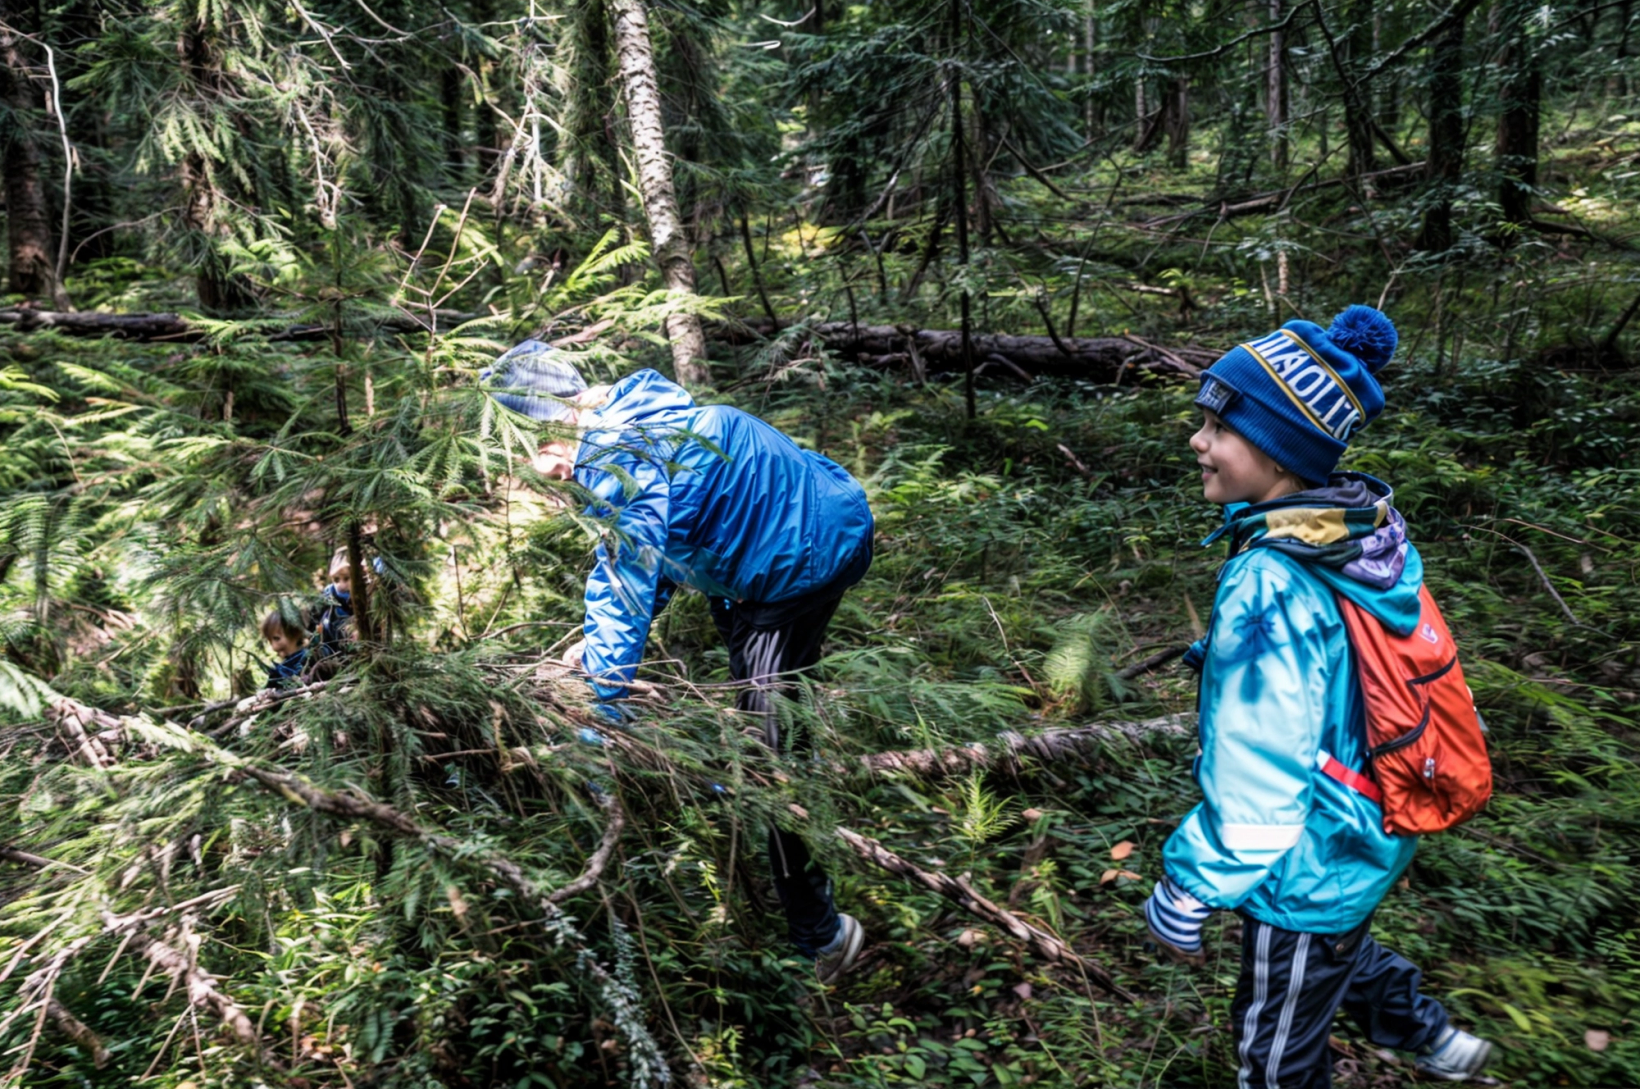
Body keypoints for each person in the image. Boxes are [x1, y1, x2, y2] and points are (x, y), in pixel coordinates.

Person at [1144, 306, 1494, 1085]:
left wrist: (1194, 881)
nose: (1198, 440)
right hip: (1364, 819)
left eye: (1219, 426)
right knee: (1334, 943)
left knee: (1276, 1060)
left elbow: (1262, 761)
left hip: (1311, 845)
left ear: (1278, 450)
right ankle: (1426, 1032)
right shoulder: (1355, 532)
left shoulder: (1272, 578)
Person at [485, 339, 874, 983]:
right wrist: (600, 648)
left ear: (550, 427)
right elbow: (665, 544)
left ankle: (825, 936)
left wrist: (600, 716)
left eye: (527, 450)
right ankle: (771, 772)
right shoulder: (635, 420)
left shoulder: (617, 456)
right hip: (803, 531)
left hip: (799, 562)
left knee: (768, 764)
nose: (531, 469)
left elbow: (625, 583)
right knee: (763, 717)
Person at [261, 609, 311, 689]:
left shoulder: (312, 660)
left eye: (277, 638)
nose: (274, 647)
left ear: (296, 633)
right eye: (270, 641)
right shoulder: (280, 671)